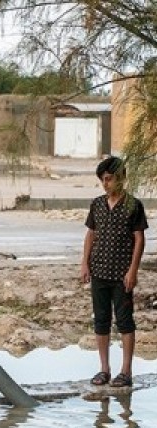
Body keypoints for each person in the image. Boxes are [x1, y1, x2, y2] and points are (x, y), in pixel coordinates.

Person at [81, 156, 147, 388]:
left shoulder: (133, 205)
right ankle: (104, 369)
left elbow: (139, 239)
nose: (106, 184)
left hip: (121, 273)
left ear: (121, 179)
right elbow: (91, 234)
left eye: (109, 179)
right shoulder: (97, 204)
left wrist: (133, 270)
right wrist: (85, 264)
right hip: (99, 270)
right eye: (103, 180)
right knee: (101, 320)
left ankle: (126, 372)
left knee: (125, 321)